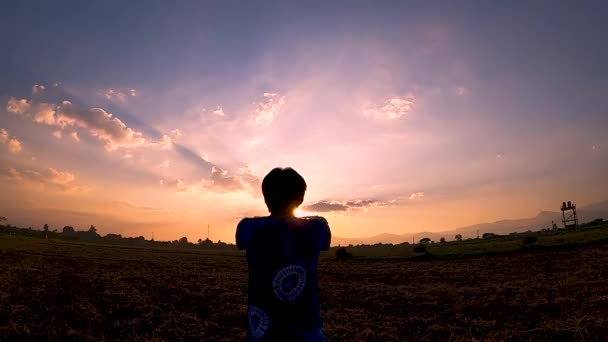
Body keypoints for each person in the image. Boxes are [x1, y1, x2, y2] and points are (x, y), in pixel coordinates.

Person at [236, 167, 331, 341]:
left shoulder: (248, 228)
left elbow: (240, 241)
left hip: (262, 330)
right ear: (301, 198)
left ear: (265, 197)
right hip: (305, 329)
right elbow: (324, 234)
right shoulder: (315, 229)